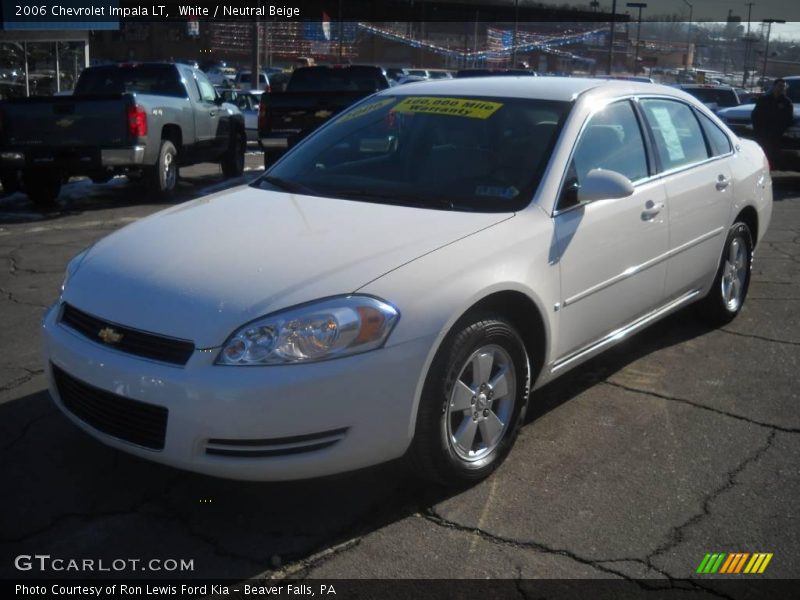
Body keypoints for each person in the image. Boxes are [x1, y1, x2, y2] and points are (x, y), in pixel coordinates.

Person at [751, 78, 794, 169]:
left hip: (776, 135)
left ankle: (771, 170)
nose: (781, 88)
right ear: (774, 86)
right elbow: (755, 115)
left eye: (783, 86)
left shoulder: (786, 102)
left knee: (773, 157)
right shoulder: (764, 99)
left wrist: (780, 130)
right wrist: (758, 129)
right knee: (761, 154)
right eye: (779, 86)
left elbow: (789, 119)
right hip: (762, 133)